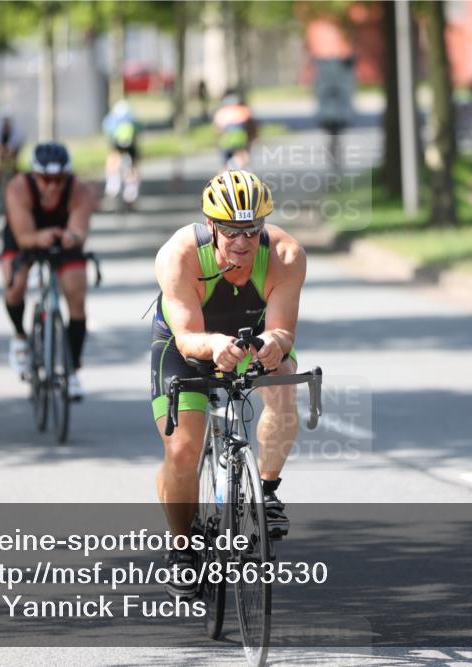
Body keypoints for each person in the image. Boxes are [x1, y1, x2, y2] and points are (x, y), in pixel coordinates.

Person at [151, 170, 305, 598]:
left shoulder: (286, 255)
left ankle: (268, 492)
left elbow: (282, 330)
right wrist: (214, 345)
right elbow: (185, 338)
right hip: (186, 346)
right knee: (182, 448)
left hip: (249, 340)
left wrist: (275, 342)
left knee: (284, 381)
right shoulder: (179, 254)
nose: (243, 241)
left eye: (252, 230)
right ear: (213, 225)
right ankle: (183, 548)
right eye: (233, 231)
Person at [1, 143, 99, 401]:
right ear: (35, 175)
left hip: (60, 238)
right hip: (24, 235)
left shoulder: (79, 190)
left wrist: (71, 236)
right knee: (15, 287)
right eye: (46, 179)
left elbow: (79, 230)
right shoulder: (19, 188)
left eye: (59, 179)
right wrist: (37, 237)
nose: (53, 185)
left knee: (77, 296)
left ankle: (73, 370)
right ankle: (20, 337)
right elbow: (23, 238)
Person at [101, 100, 141, 206]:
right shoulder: (132, 119)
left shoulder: (112, 119)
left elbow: (106, 129)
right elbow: (140, 128)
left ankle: (112, 185)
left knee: (113, 158)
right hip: (131, 146)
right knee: (134, 165)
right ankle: (131, 191)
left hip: (117, 144)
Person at [212, 90, 257, 170]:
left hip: (225, 140)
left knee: (226, 165)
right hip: (240, 138)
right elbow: (252, 127)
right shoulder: (243, 110)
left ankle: (222, 176)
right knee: (242, 159)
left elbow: (217, 129)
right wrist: (252, 139)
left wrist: (218, 142)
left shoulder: (221, 112)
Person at [0, 115, 24, 202]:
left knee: (15, 166)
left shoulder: (16, 132)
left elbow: (15, 143)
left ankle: (19, 187)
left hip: (14, 147)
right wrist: (1, 151)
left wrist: (11, 151)